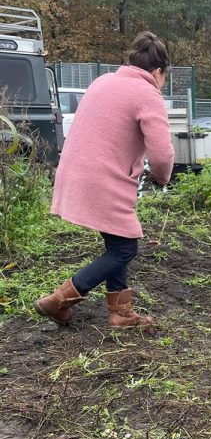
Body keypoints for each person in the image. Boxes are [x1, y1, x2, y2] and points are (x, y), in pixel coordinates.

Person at [34, 32, 175, 332]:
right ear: (159, 71)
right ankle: (58, 301)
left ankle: (121, 312)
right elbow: (162, 155)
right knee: (124, 250)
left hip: (75, 171)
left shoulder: (102, 81)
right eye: (164, 77)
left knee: (118, 242)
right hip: (104, 180)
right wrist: (162, 177)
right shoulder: (147, 92)